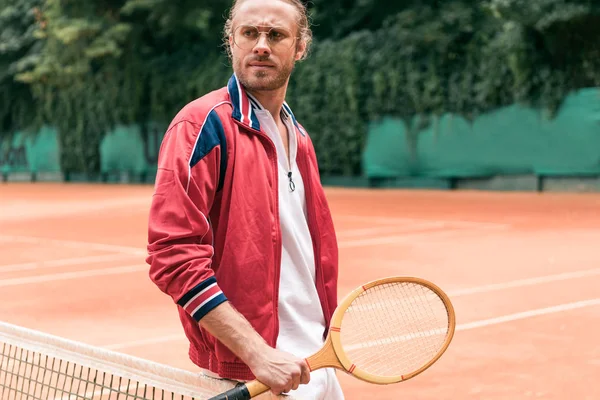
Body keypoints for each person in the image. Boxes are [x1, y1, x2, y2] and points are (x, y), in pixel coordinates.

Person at [145, 0, 344, 398]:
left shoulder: (300, 137)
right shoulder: (202, 124)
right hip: (254, 373)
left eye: (276, 35)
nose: (261, 45)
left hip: (314, 364)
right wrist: (257, 353)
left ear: (300, 47)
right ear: (231, 41)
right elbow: (172, 254)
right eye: (249, 33)